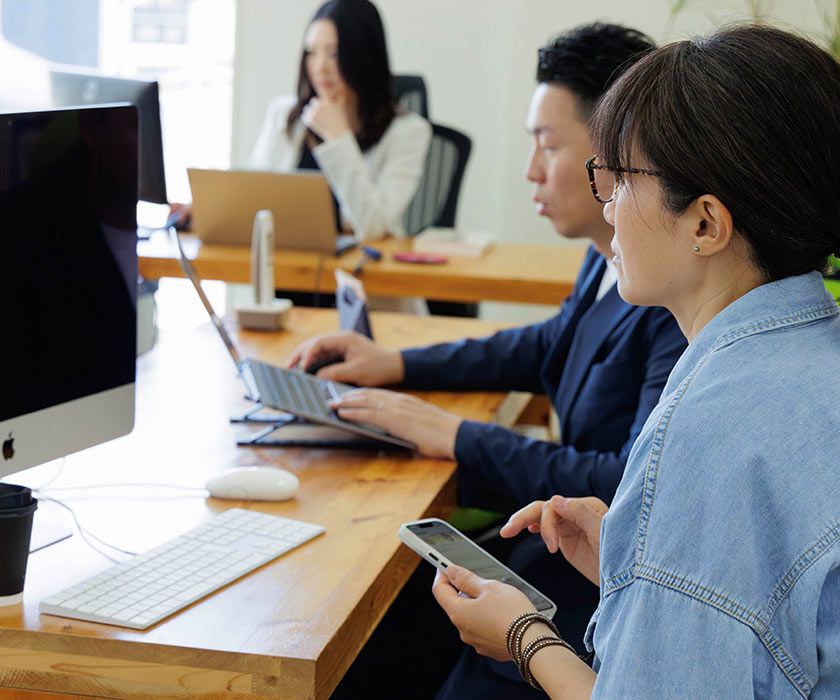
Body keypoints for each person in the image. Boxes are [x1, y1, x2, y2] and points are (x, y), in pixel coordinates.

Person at [430, 25, 840, 698]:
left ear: (706, 224)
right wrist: (645, 562)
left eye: (620, 178)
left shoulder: (712, 430)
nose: (608, 204)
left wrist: (523, 637)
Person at [291, 24, 685, 699]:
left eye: (548, 145)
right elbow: (543, 346)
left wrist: (459, 436)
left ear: (618, 150)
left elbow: (628, 483)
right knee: (361, 621)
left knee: (369, 624)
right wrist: (398, 364)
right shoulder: (605, 258)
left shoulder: (669, 297)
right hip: (559, 552)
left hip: (583, 593)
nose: (531, 169)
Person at [247, 0, 431, 243]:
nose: (320, 67)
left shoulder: (408, 132)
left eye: (333, 53)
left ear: (364, 56)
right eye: (312, 52)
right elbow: (251, 197)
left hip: (362, 274)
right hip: (286, 267)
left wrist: (339, 137)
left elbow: (372, 227)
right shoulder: (285, 114)